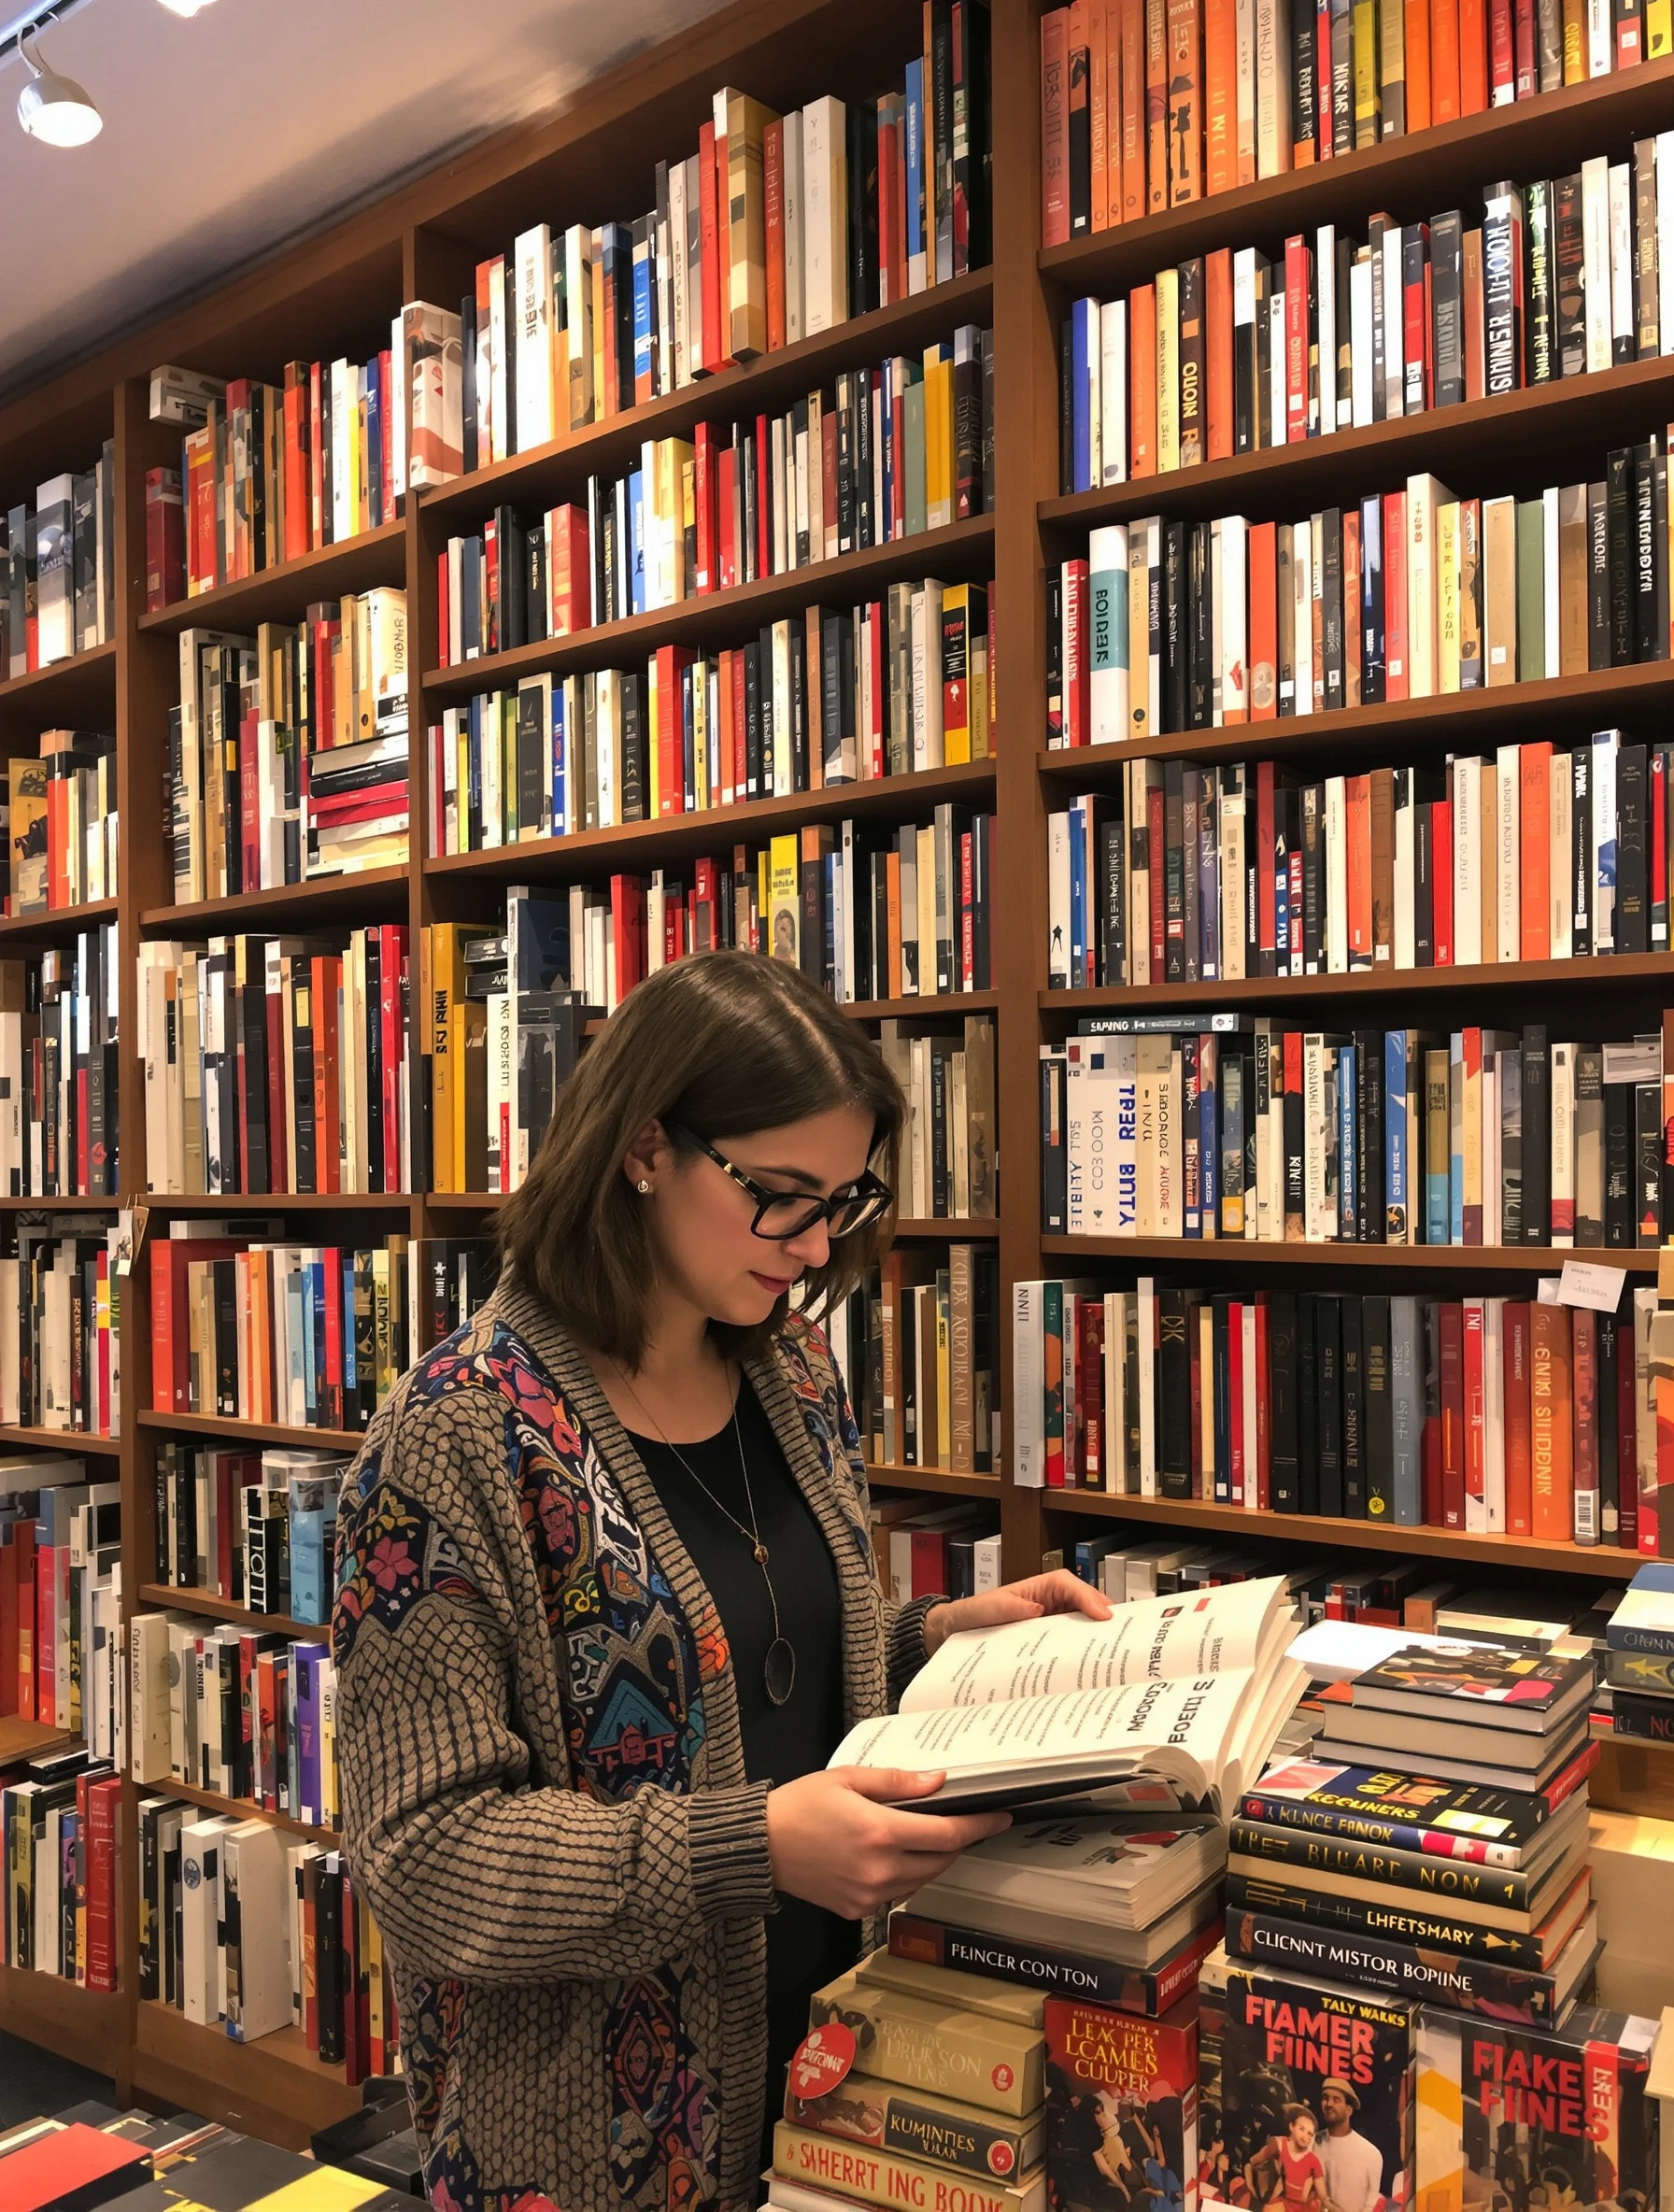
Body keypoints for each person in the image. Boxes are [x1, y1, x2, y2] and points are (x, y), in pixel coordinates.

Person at [330, 950, 1111, 2212]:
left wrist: (943, 1638)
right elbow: (427, 1860)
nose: (809, 1247)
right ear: (646, 1146)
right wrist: (750, 1850)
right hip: (594, 2155)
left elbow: (764, 1663)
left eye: (840, 1204)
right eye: (780, 1197)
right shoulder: (459, 1435)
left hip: (841, 2098)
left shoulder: (792, 1381)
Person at [1317, 2078, 1384, 2212]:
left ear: (1349, 2110)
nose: (1329, 2104)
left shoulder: (1370, 2153)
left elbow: (1371, 2201)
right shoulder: (1311, 2142)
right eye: (1325, 2098)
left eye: (1336, 2100)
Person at [1250, 2106, 1328, 2212]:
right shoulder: (1278, 2145)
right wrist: (1250, 2186)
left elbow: (1323, 2196)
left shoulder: (1313, 2161)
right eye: (1301, 2129)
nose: (1305, 2136)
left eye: (1310, 2133)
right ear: (1291, 2126)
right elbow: (1252, 2162)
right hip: (1278, 2204)